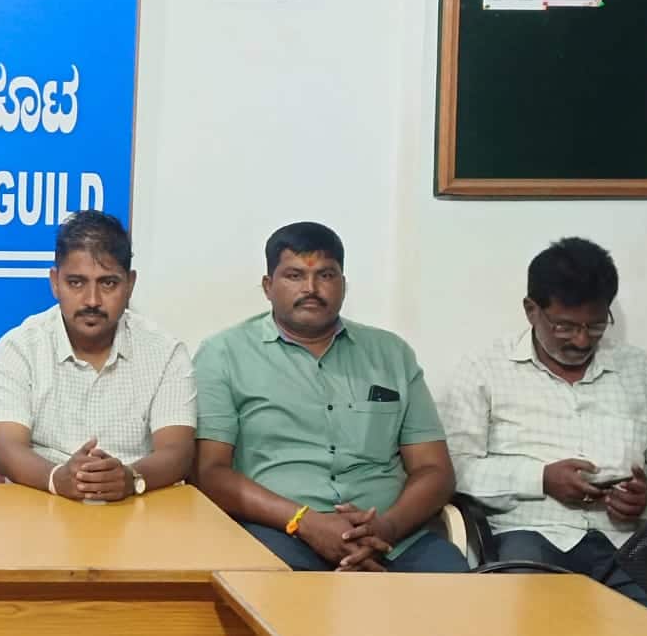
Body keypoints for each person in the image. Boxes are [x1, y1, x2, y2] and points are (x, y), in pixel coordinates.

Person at [439, 237, 647, 611]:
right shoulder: (484, 370)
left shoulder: (640, 371)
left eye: (595, 327)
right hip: (531, 537)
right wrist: (541, 479)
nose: (580, 340)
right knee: (529, 617)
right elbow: (457, 468)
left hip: (627, 542)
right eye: (564, 327)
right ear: (531, 310)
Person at [193, 222, 465, 572]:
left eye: (325, 275)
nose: (310, 288)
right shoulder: (223, 354)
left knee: (458, 588)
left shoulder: (391, 354)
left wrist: (386, 529)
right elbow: (209, 472)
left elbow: (434, 469)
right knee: (280, 590)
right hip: (280, 534)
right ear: (268, 286)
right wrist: (305, 522)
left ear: (343, 285)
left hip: (393, 538)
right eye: (294, 275)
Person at [0, 210, 195, 502]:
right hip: (42, 503)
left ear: (130, 284)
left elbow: (178, 452)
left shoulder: (165, 352)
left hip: (136, 506)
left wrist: (130, 478)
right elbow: (7, 449)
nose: (92, 300)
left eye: (108, 283)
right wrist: (56, 479)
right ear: (55, 282)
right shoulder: (18, 349)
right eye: (76, 283)